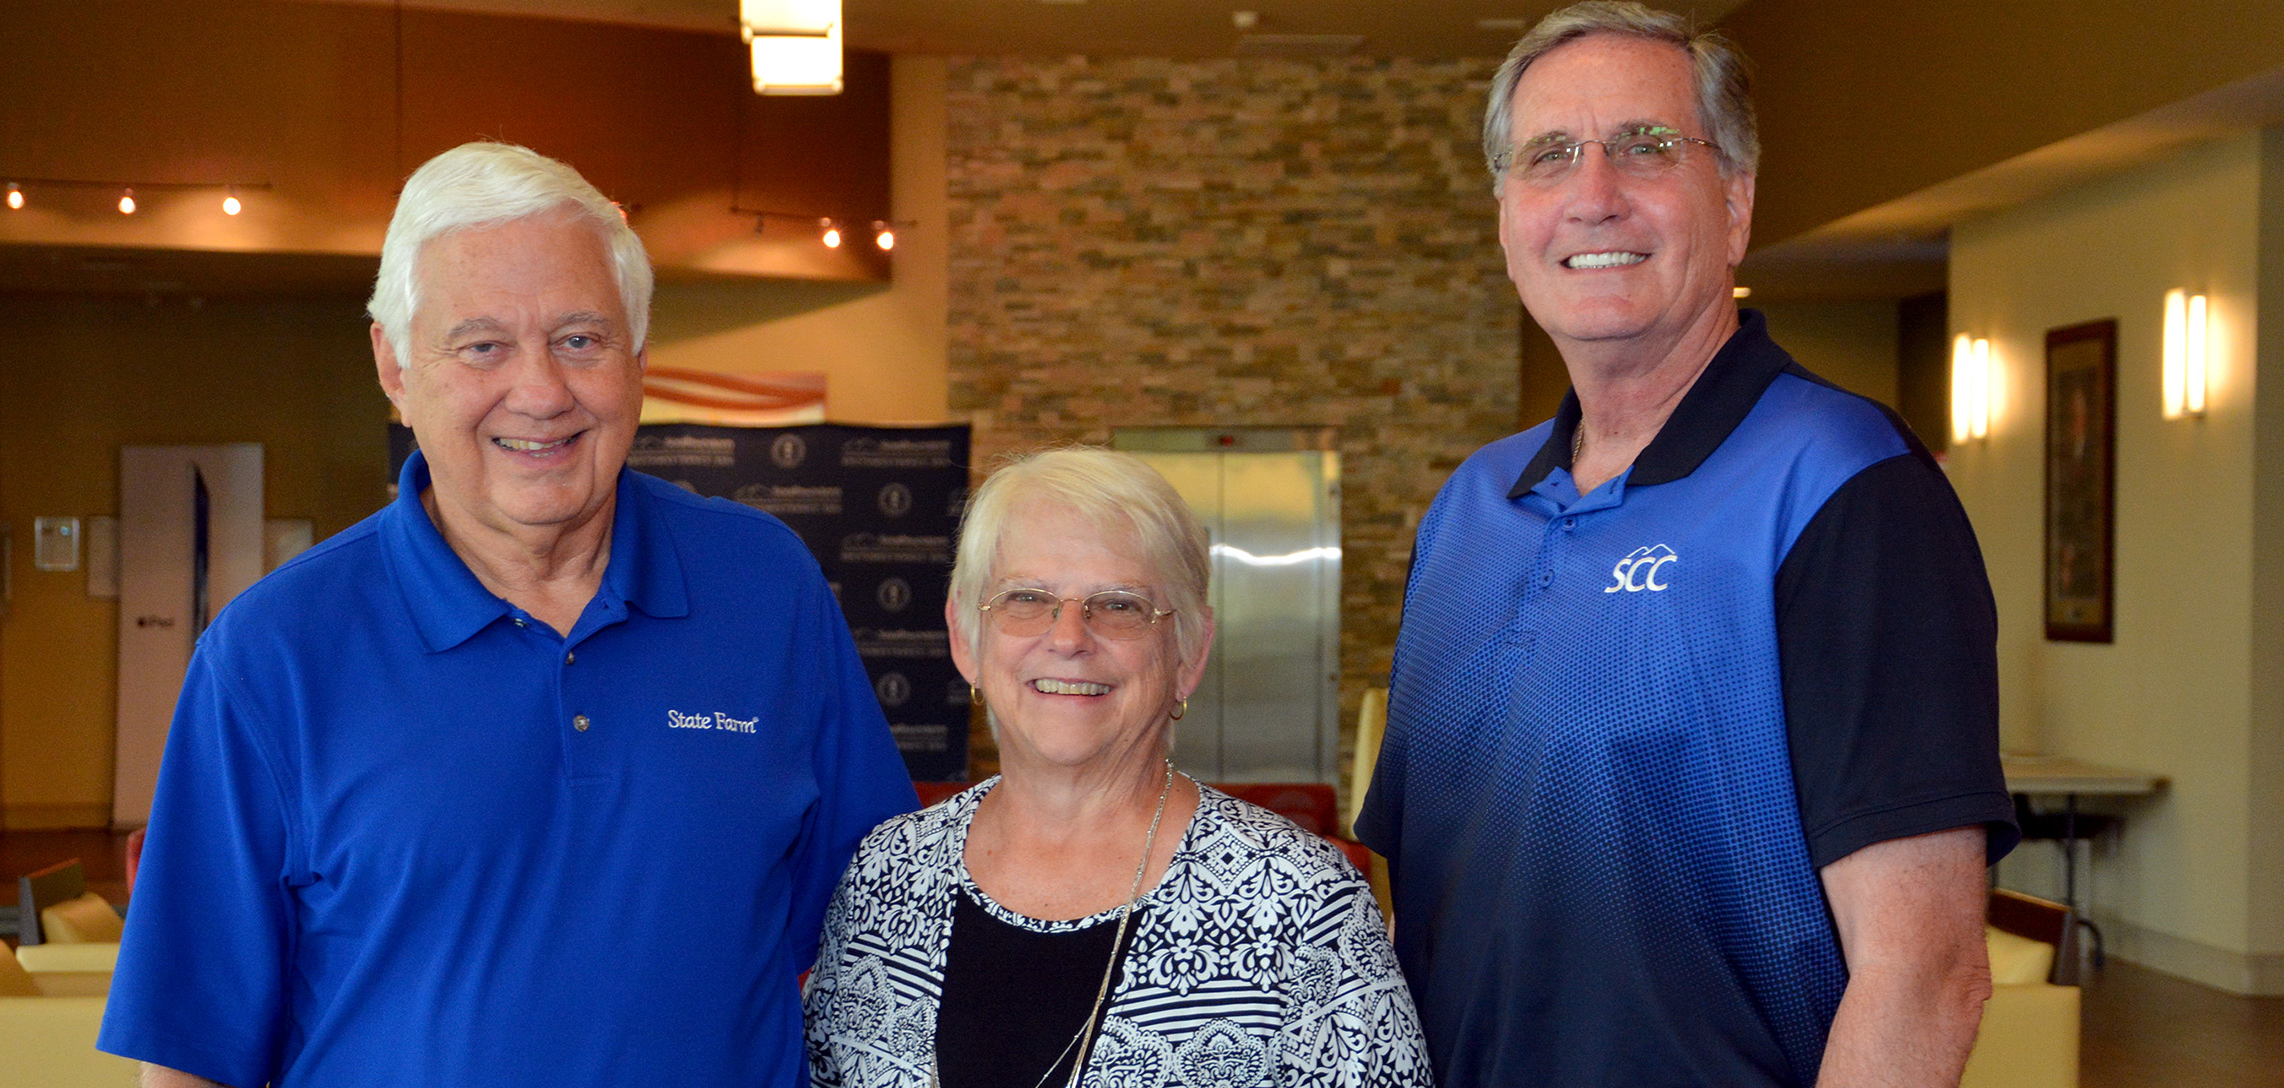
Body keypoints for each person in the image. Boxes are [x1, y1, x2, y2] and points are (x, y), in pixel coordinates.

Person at [97, 142, 919, 1088]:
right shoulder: (269, 656)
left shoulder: (765, 591)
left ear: (638, 358)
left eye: (580, 338)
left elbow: (880, 947)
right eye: (482, 344)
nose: (541, 392)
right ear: (395, 367)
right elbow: (191, 1055)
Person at [1355, 4, 2019, 1086]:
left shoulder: (1840, 481)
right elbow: (1429, 906)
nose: (1594, 191)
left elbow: (1926, 968)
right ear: (1507, 214)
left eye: (1648, 145)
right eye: (1550, 155)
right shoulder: (1469, 507)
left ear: (1737, 199)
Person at [806, 448, 1430, 1088]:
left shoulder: (1301, 904)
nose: (1070, 637)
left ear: (1189, 651)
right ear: (966, 638)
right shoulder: (886, 875)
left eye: (1121, 604)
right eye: (1026, 597)